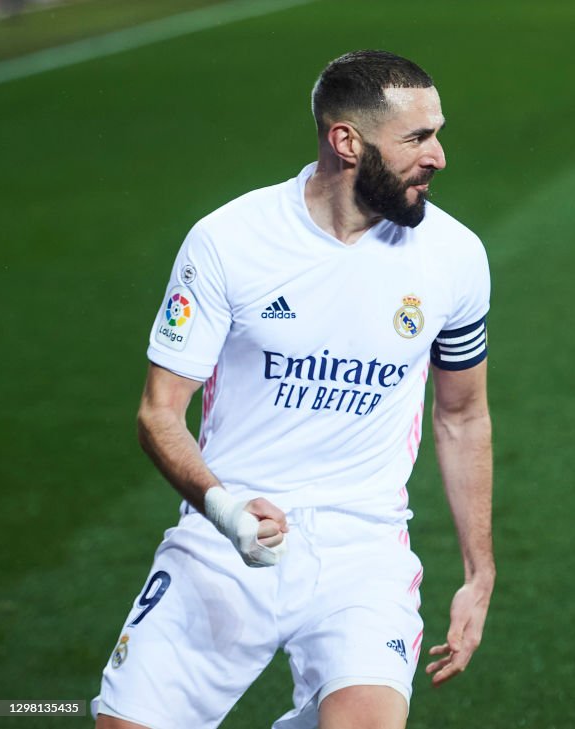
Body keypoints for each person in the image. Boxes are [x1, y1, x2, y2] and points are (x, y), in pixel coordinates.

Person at [92, 50, 494, 729]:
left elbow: (462, 414)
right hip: (224, 539)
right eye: (419, 138)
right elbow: (159, 413)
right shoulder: (229, 241)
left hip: (362, 550)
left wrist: (478, 569)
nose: (440, 157)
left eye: (438, 132)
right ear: (346, 141)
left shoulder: (455, 256)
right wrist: (226, 510)